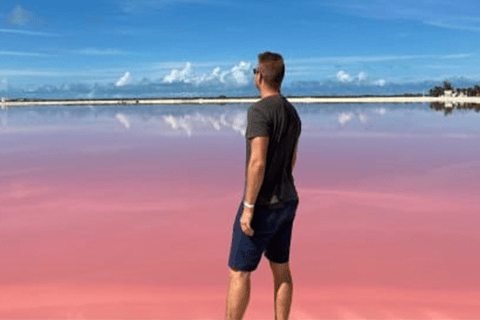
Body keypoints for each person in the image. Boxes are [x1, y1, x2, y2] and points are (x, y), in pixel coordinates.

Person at [225, 52, 301, 320]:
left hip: (263, 205)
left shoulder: (259, 110)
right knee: (281, 269)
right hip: (288, 200)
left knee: (240, 271)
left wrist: (248, 207)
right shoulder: (292, 112)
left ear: (260, 76)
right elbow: (292, 159)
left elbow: (257, 162)